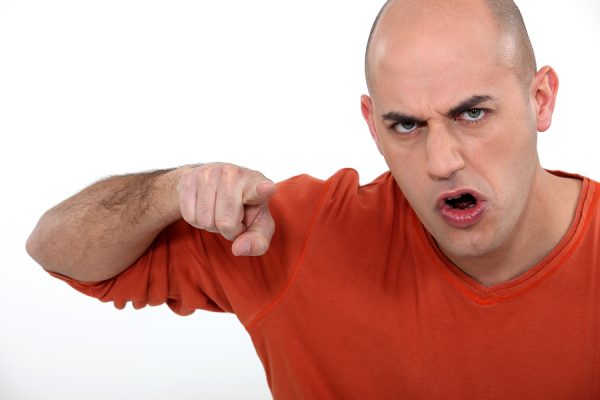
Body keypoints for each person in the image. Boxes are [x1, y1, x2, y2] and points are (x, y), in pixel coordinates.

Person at [26, 0, 600, 398]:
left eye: (472, 113)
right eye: (406, 125)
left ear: (541, 99)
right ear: (373, 127)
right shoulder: (292, 236)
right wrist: (170, 189)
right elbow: (53, 247)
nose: (441, 161)